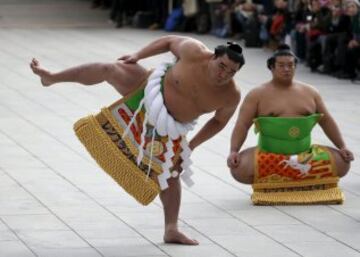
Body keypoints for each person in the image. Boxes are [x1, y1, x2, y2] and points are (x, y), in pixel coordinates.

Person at [30, 35, 245, 245]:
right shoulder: (193, 51)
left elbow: (219, 121)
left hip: (170, 129)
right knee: (110, 69)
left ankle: (171, 229)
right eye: (222, 66)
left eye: (231, 72)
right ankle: (52, 77)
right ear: (213, 57)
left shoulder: (231, 95)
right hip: (148, 90)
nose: (223, 74)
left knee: (171, 175)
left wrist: (191, 146)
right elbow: (168, 41)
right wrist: (138, 55)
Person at [227, 44, 353, 186]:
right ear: (272, 68)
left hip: (305, 155)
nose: (286, 69)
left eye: (290, 65)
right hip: (270, 155)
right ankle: (299, 179)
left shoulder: (311, 92)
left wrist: (342, 146)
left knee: (343, 163)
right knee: (240, 168)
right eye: (281, 65)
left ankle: (287, 179)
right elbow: (242, 125)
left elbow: (326, 121)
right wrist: (234, 151)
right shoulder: (257, 94)